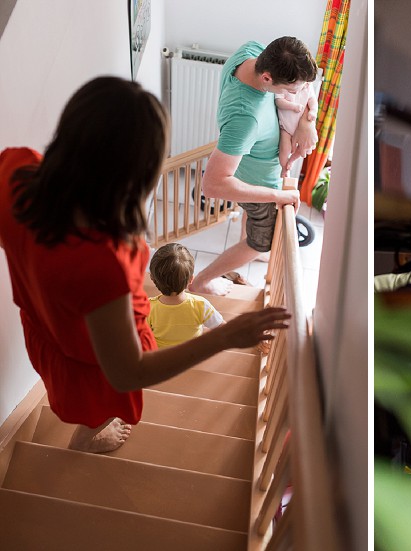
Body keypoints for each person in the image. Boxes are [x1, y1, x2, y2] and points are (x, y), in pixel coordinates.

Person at [0, 77, 290, 454]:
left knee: (82, 403)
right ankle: (87, 442)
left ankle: (86, 434)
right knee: (97, 409)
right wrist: (225, 337)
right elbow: (126, 373)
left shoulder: (13, 171)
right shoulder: (102, 262)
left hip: (46, 332)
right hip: (93, 365)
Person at [189, 36, 319, 296]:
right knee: (262, 243)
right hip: (257, 184)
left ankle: (242, 242)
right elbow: (212, 185)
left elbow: (305, 89)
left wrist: (308, 121)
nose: (297, 94)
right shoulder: (244, 118)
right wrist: (277, 195)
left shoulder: (253, 51)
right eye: (291, 90)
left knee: (251, 229)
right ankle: (202, 281)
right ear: (268, 79)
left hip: (258, 168)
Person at [147, 243, 225, 348]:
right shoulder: (201, 305)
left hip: (161, 357)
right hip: (190, 355)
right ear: (191, 279)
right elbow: (223, 328)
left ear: (152, 278)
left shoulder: (147, 308)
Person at [275, 81, 317, 178]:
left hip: (300, 127)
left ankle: (291, 161)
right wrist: (292, 106)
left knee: (303, 149)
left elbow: (313, 100)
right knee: (285, 150)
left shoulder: (308, 87)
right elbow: (279, 102)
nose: (306, 84)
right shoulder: (284, 85)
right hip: (286, 128)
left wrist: (313, 111)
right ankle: (285, 167)